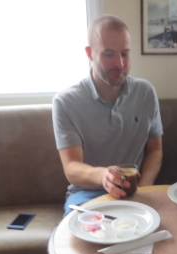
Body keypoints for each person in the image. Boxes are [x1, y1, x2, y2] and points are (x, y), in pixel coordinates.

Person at [52, 14, 163, 216]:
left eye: (125, 54)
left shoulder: (145, 92)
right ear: (89, 53)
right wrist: (104, 175)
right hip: (87, 194)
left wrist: (144, 188)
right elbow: (72, 167)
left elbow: (155, 150)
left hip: (134, 190)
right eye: (109, 54)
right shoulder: (65, 102)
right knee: (83, 241)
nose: (119, 63)